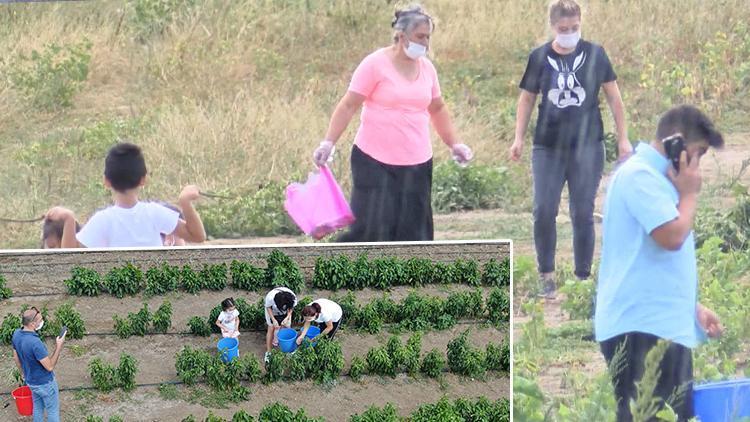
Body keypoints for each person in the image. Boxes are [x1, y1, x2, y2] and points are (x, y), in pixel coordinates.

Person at [594, 105, 724, 421]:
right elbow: (671, 237)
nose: (697, 166)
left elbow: (651, 260)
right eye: (698, 153)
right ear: (677, 145)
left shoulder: (657, 180)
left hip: (660, 323)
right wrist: (690, 194)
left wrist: (691, 307)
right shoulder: (640, 176)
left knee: (675, 414)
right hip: (641, 326)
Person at [312, 4, 474, 242]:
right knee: (371, 227)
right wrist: (328, 142)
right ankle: (340, 271)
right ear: (401, 35)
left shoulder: (427, 69)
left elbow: (437, 108)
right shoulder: (374, 64)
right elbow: (348, 105)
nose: (425, 43)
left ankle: (408, 278)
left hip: (417, 163)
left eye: (428, 37)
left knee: (414, 231)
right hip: (374, 161)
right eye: (420, 37)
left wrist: (454, 144)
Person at [509, 0, 631, 298]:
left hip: (588, 146)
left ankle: (582, 278)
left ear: (580, 24)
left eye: (574, 28)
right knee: (543, 209)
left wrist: (623, 138)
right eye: (563, 29)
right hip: (548, 147)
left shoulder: (595, 54)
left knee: (582, 212)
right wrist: (518, 138)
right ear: (553, 26)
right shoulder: (539, 57)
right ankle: (546, 275)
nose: (569, 33)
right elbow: (526, 99)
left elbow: (615, 98)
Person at [58, 142, 206, 248]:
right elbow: (197, 236)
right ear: (143, 180)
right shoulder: (154, 213)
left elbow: (71, 256)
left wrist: (69, 219)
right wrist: (185, 202)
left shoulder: (103, 220)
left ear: (106, 181)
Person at [12, 307, 67, 422]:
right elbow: (49, 366)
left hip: (31, 381)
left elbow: (16, 356)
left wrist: (23, 373)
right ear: (32, 324)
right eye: (40, 320)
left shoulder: (16, 334)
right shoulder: (35, 343)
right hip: (45, 383)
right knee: (52, 410)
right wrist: (59, 346)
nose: (42, 322)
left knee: (38, 407)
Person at [263, 287, 297, 362]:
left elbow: (291, 308)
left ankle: (287, 349)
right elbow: (268, 308)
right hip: (272, 311)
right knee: (271, 328)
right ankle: (268, 352)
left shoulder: (292, 298)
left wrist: (287, 317)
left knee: (287, 326)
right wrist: (273, 320)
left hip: (286, 312)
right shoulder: (270, 298)